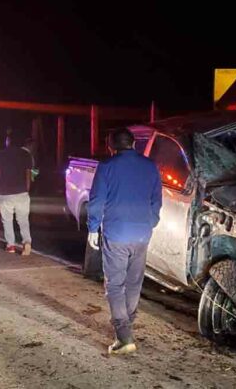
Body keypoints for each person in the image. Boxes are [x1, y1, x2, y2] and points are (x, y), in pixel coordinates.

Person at [87, 128, 162, 355]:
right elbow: (156, 200)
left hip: (117, 234)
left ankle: (124, 335)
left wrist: (92, 228)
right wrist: (150, 222)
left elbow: (97, 200)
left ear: (111, 147)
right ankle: (127, 326)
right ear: (134, 144)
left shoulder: (107, 167)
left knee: (115, 285)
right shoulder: (150, 166)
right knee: (133, 283)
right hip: (142, 234)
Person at [0, 131, 33, 255]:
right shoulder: (26, 155)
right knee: (23, 220)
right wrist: (26, 188)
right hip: (22, 192)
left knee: (7, 220)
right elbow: (28, 174)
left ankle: (10, 245)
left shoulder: (1, 155)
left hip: (5, 192)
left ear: (8, 141)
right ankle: (26, 242)